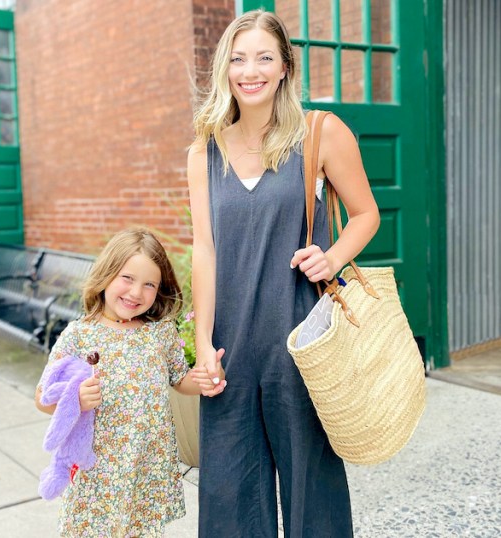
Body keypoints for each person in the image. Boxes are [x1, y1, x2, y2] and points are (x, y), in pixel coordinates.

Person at [185, 9, 381, 537]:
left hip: (299, 337)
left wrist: (333, 257)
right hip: (230, 343)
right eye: (239, 58)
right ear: (225, 68)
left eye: (264, 57)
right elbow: (204, 249)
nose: (251, 70)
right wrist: (202, 343)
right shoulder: (204, 151)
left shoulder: (320, 133)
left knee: (310, 485)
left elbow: (366, 215)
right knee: (228, 491)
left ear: (284, 68)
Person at [34, 227, 207, 537]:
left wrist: (207, 378)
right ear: (106, 275)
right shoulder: (79, 335)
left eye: (149, 284)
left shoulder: (159, 333)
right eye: (127, 278)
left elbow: (180, 380)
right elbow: (43, 397)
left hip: (144, 465)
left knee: (140, 530)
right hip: (96, 469)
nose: (136, 293)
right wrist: (75, 399)